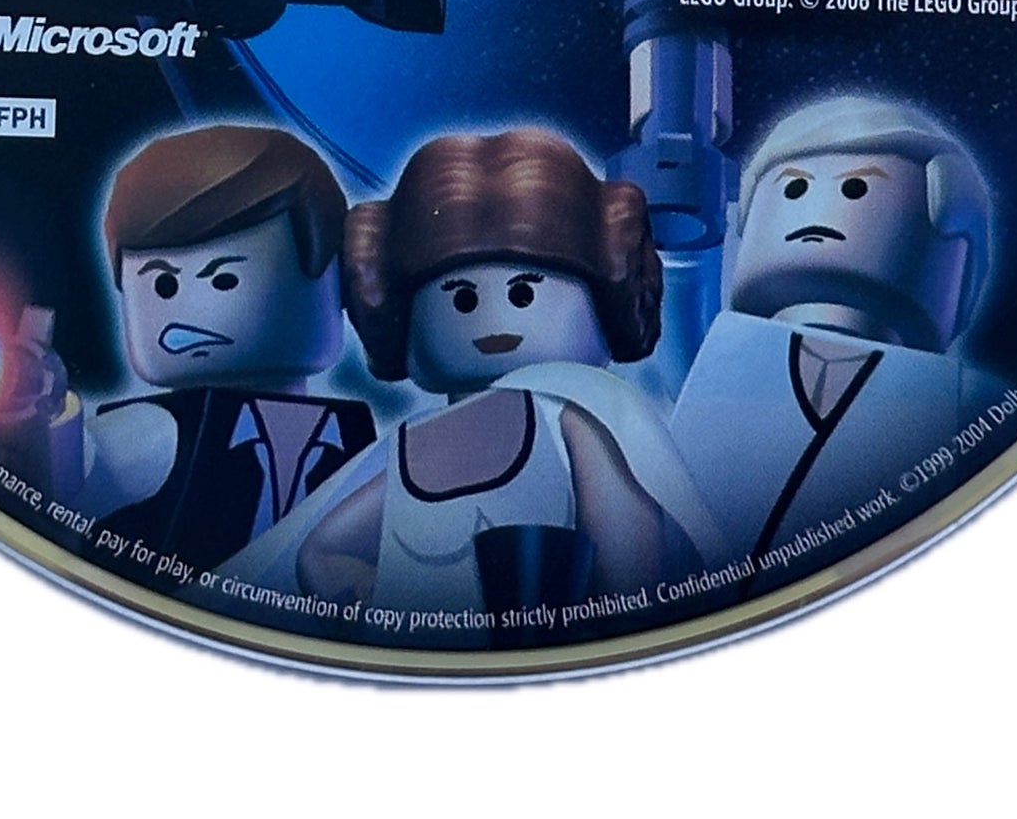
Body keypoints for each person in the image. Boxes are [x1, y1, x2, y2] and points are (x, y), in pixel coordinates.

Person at [229, 130, 718, 639]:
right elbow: (322, 550)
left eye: (524, 293)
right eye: (460, 298)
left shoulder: (576, 422)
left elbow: (628, 558)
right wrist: (373, 605)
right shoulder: (411, 444)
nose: (492, 317)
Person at [669, 96, 998, 567]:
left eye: (856, 189)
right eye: (794, 190)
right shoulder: (719, 358)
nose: (816, 215)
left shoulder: (970, 402)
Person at [72, 124, 375, 572]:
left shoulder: (354, 436)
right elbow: (75, 470)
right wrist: (36, 423)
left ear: (333, 276)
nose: (187, 312)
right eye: (164, 285)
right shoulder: (155, 430)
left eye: (224, 279)